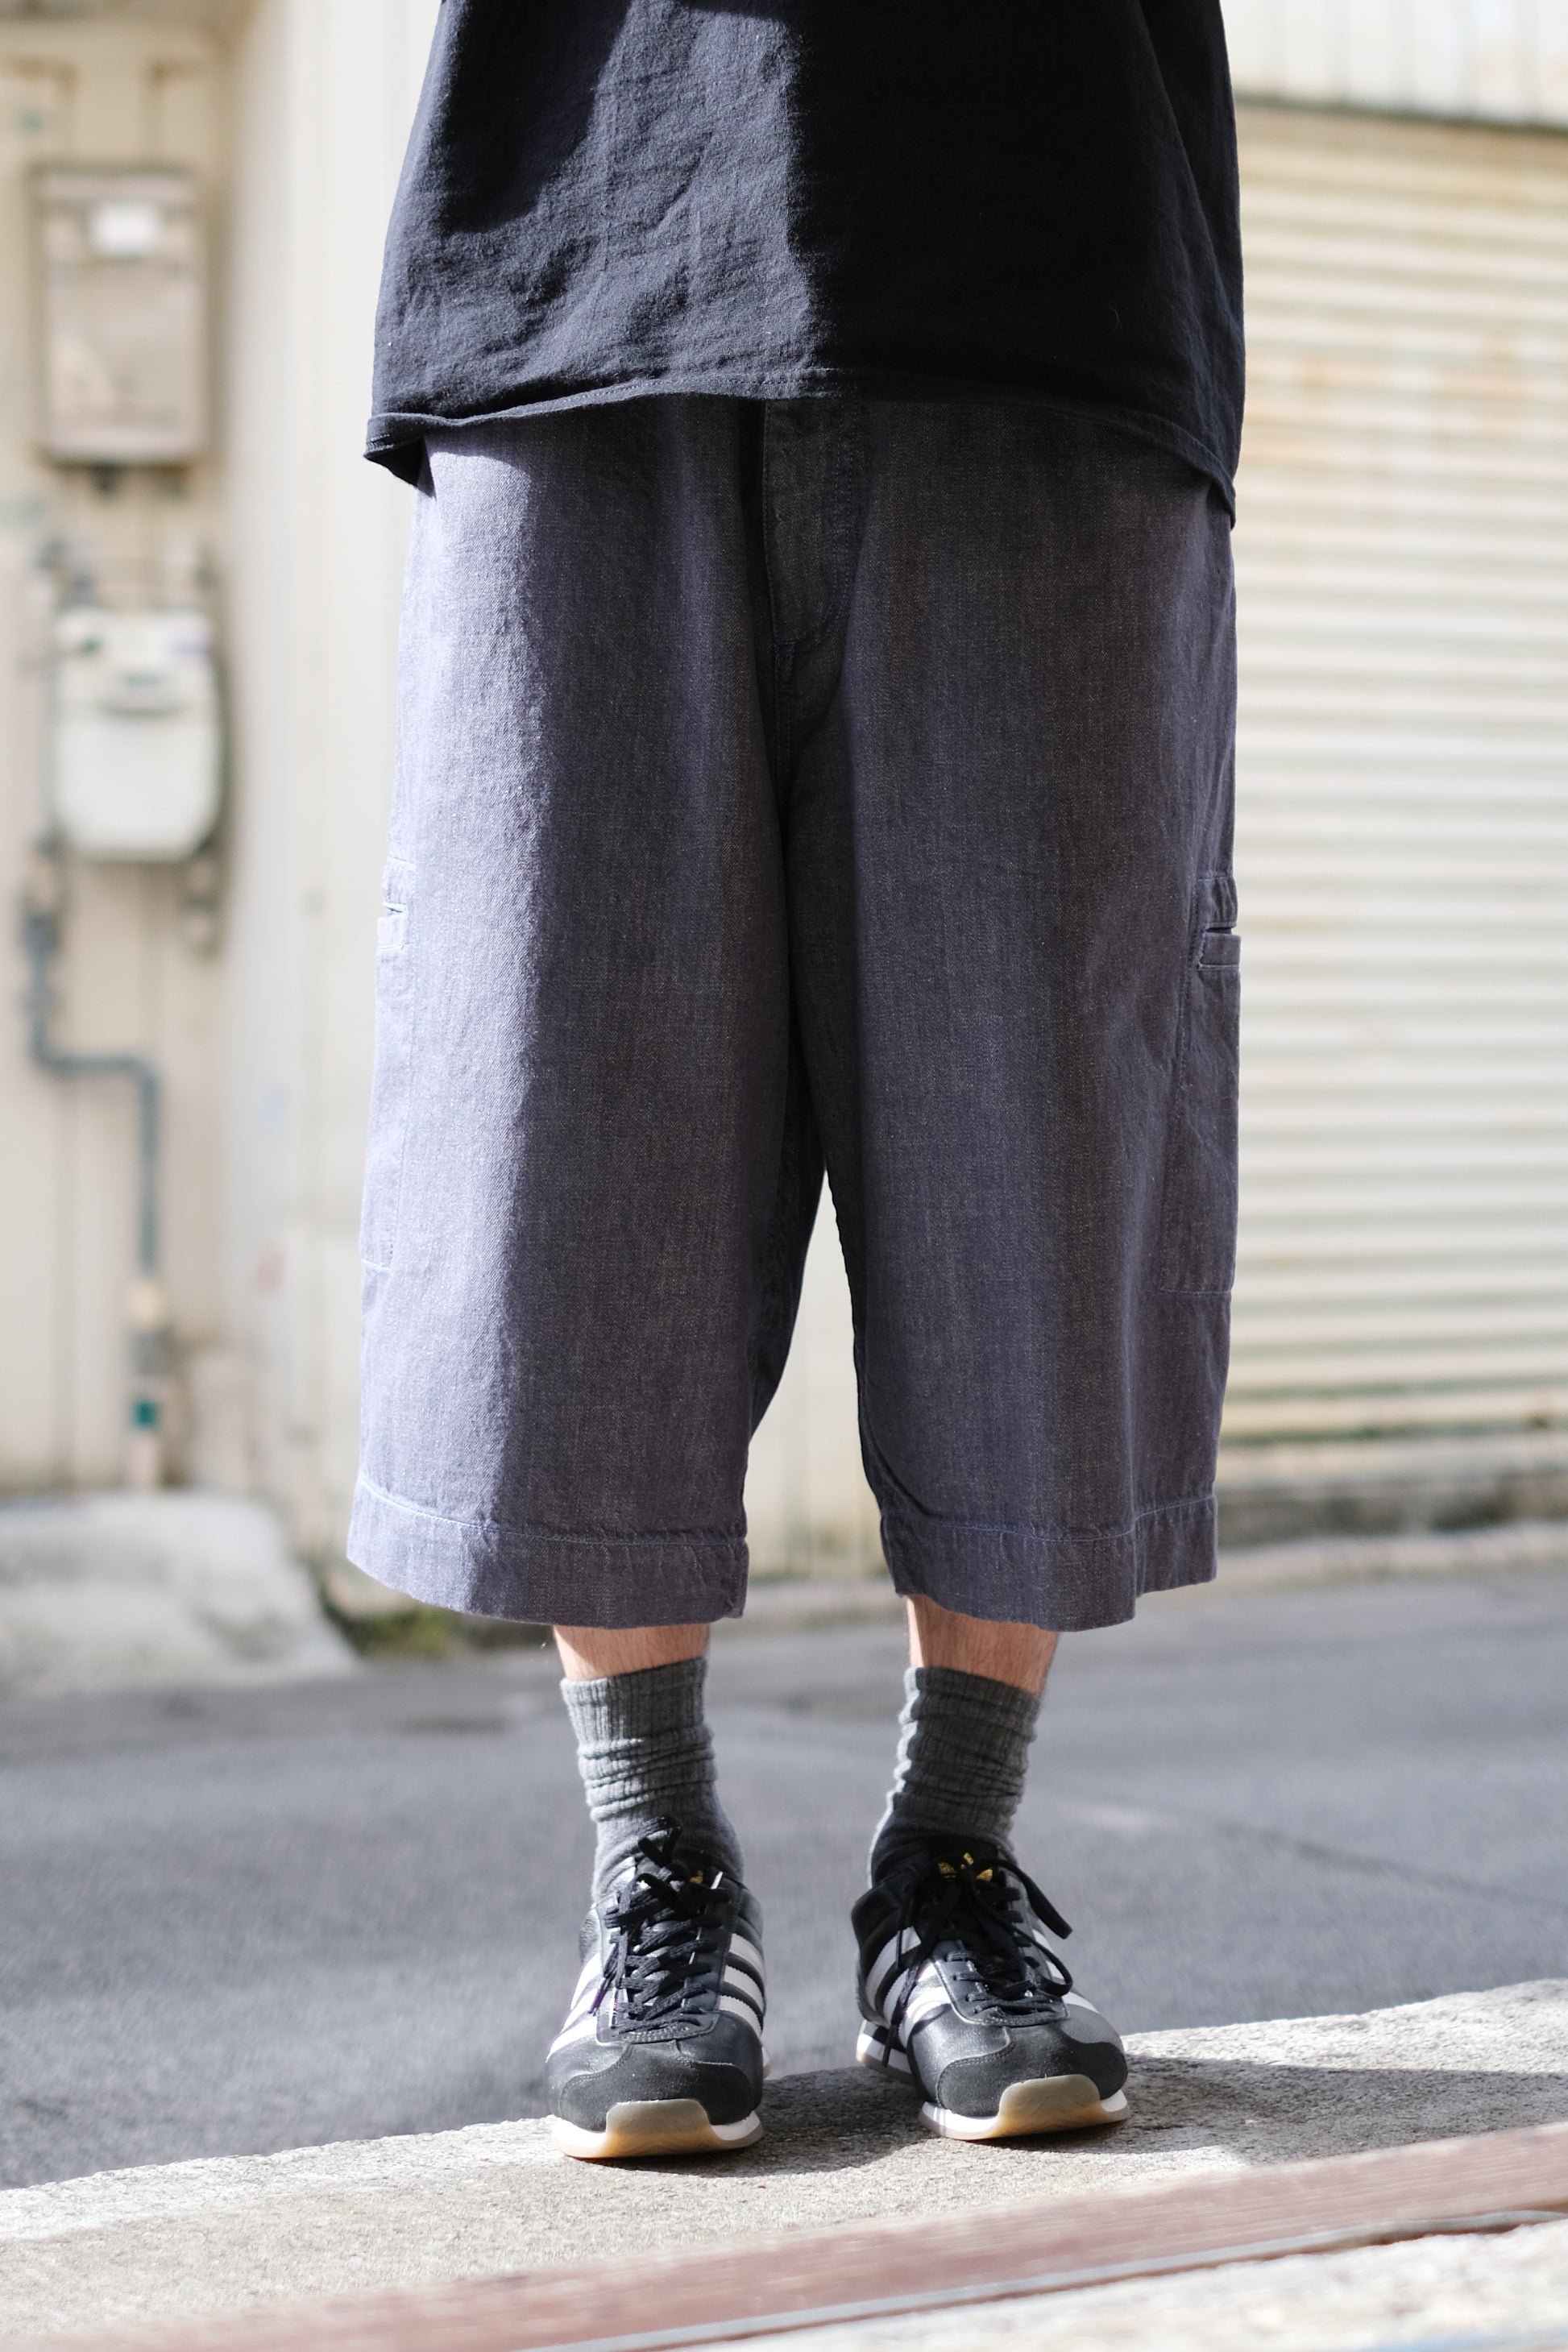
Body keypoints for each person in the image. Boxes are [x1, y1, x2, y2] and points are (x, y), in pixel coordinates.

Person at [353, 0, 1243, 2161]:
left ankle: (954, 1861)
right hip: (581, 251)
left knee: (1038, 1122)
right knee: (570, 1104)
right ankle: (654, 1867)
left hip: (1045, 266)